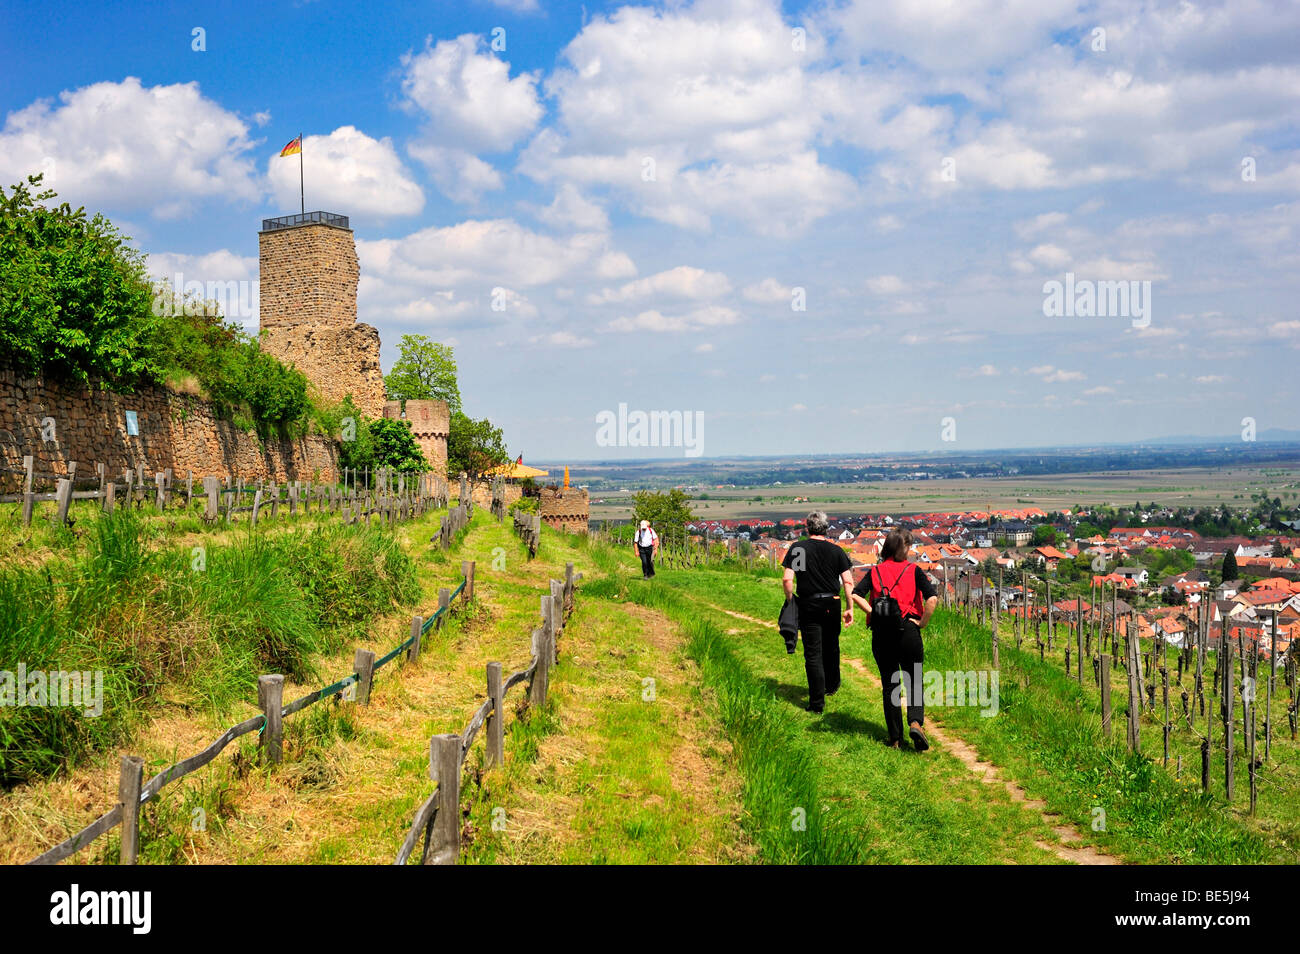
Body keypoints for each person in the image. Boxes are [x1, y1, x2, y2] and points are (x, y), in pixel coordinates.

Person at [851, 528, 939, 750]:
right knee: (914, 680)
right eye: (909, 546)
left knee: (890, 685)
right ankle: (916, 723)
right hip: (908, 630)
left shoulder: (875, 571)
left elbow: (855, 594)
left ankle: (895, 738)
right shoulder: (913, 570)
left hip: (882, 633)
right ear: (903, 548)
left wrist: (872, 611)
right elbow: (932, 599)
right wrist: (922, 623)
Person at [782, 511, 854, 713]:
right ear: (826, 528)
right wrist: (850, 607)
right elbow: (848, 582)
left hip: (809, 604)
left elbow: (787, 579)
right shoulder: (836, 550)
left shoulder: (799, 549)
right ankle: (831, 685)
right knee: (831, 646)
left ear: (807, 528)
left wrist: (790, 599)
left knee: (813, 653)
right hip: (833, 603)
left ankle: (816, 703)